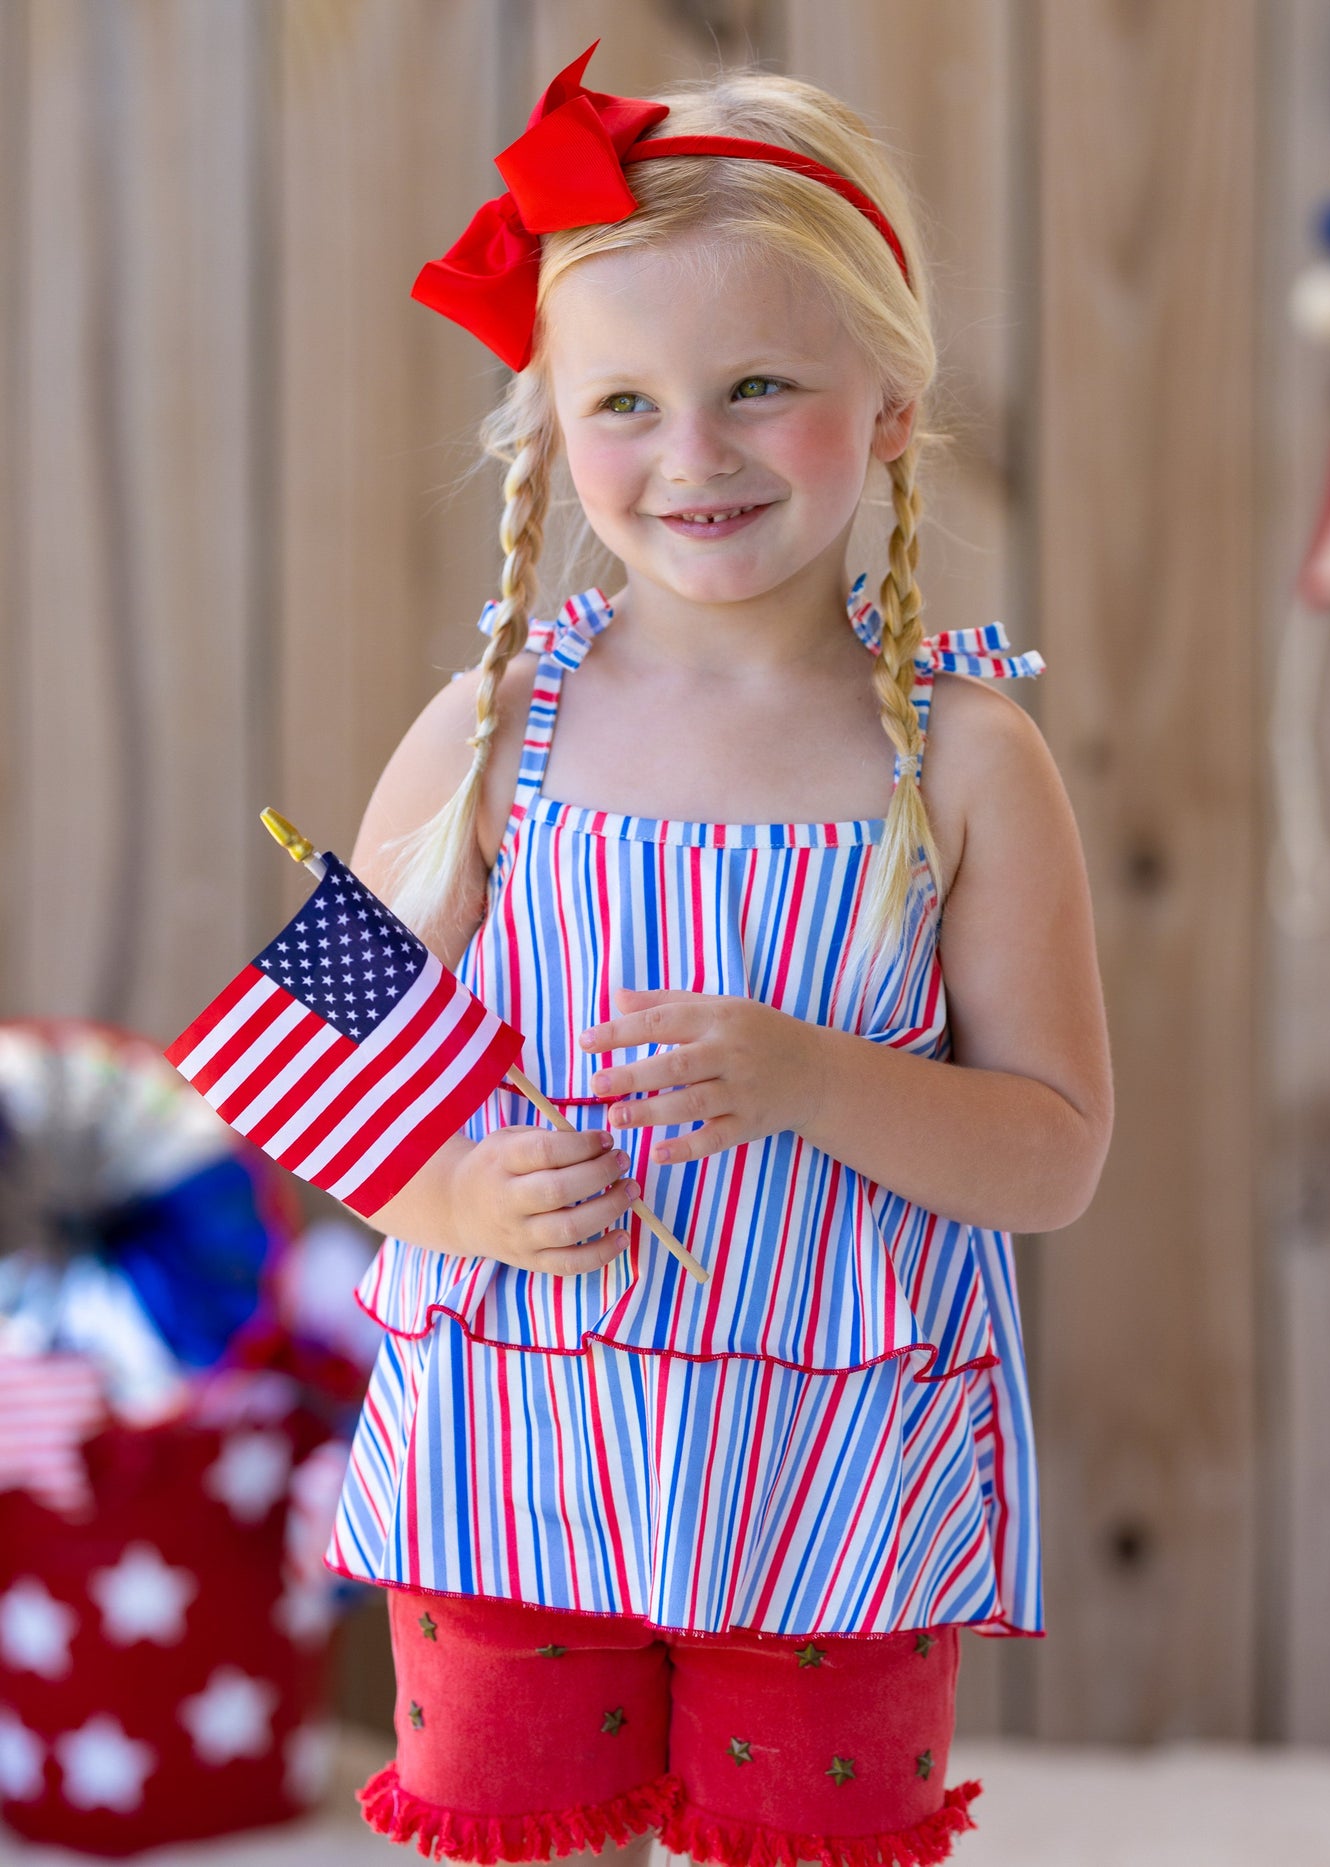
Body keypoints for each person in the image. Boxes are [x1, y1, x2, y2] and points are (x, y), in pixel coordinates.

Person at [327, 41, 1113, 1867]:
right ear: (548, 419)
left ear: (893, 403)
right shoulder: (493, 731)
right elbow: (317, 1053)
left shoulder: (965, 758)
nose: (694, 456)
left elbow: (1057, 1151)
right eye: (625, 402)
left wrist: (816, 1079)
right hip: (512, 1444)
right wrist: (441, 1198)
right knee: (526, 1838)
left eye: (761, 386)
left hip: (836, 1477)